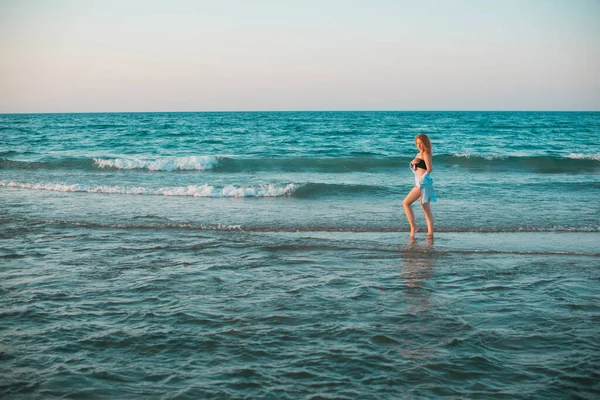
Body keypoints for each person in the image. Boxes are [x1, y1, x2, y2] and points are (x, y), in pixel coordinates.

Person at [402, 134, 437, 238]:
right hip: (419, 183)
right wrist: (412, 163)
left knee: (405, 203)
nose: (419, 146)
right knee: (426, 210)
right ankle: (430, 233)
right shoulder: (418, 154)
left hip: (423, 184)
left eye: (421, 144)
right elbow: (414, 170)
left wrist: (421, 181)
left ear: (425, 143)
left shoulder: (426, 154)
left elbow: (429, 169)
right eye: (417, 144)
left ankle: (414, 227)